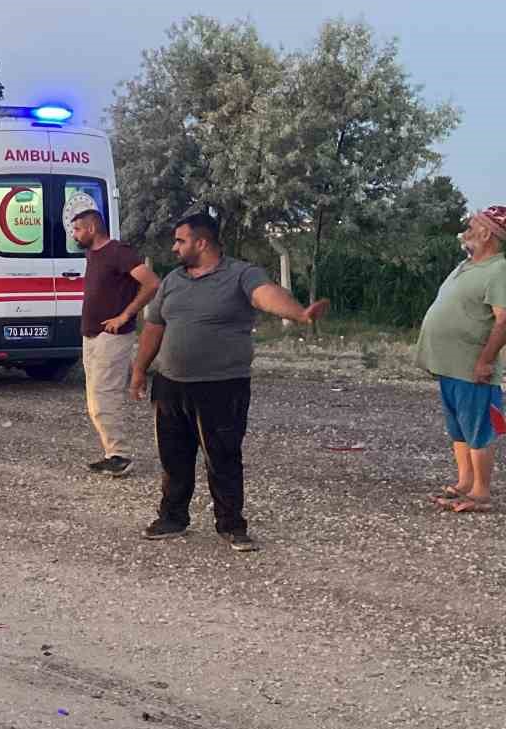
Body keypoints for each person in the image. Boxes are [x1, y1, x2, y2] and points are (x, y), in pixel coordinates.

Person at [130, 213, 328, 552]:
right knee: (173, 457)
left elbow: (265, 294)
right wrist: (139, 370)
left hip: (221, 386)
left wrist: (298, 314)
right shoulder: (173, 281)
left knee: (222, 456)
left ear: (201, 243)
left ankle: (231, 524)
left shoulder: (240, 274)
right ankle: (172, 517)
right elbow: (154, 328)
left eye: (180, 240)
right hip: (171, 384)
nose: (174, 247)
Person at [417, 205, 506, 513]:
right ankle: (465, 483)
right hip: (451, 367)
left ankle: (481, 493)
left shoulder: (499, 270)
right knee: (459, 429)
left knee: (480, 428)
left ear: (488, 233)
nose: (467, 229)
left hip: (473, 369)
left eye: (473, 225)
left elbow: (503, 320)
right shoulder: (467, 265)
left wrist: (485, 360)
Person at [72, 207, 159, 478]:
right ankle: (113, 453)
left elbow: (152, 283)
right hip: (92, 335)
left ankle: (119, 455)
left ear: (91, 228)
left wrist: (125, 315)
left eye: (77, 229)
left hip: (112, 336)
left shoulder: (118, 252)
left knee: (104, 396)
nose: (74, 235)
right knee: (95, 398)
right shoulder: (93, 254)